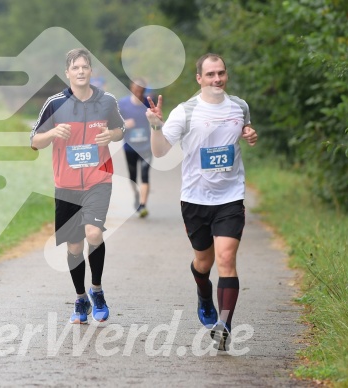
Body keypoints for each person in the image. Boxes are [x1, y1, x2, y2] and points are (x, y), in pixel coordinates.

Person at [145, 53, 258, 350]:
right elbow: (159, 152)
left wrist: (248, 132)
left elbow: (244, 127)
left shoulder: (240, 106)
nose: (217, 79)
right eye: (210, 74)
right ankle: (203, 293)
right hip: (195, 199)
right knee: (204, 262)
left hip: (230, 196)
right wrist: (156, 126)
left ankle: (224, 326)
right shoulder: (186, 111)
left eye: (221, 73)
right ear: (199, 79)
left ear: (226, 75)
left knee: (226, 259)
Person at [30, 48, 125, 324]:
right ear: (67, 73)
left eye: (85, 67)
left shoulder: (106, 101)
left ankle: (97, 290)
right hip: (67, 184)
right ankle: (80, 297)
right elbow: (34, 141)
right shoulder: (55, 103)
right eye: (76, 68)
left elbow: (120, 129)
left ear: (91, 71)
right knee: (74, 246)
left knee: (94, 233)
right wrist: (52, 132)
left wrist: (112, 134)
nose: (81, 72)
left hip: (99, 179)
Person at [118, 78, 152, 217]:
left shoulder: (148, 102)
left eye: (141, 91)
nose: (138, 93)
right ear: (131, 88)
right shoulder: (123, 104)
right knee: (133, 177)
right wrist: (125, 124)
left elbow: (157, 120)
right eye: (136, 90)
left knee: (144, 175)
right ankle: (137, 196)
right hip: (130, 146)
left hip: (146, 146)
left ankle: (143, 205)